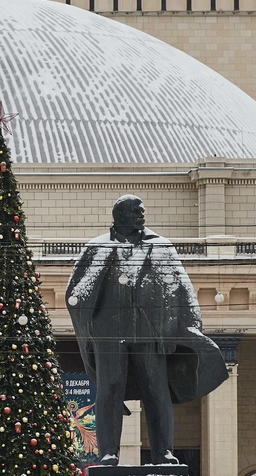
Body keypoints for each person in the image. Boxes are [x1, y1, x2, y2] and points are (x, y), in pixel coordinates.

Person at [66, 195, 228, 466]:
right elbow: (76, 295)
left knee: (156, 390)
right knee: (109, 390)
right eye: (136, 211)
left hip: (150, 332)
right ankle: (108, 453)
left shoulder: (160, 246)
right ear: (119, 215)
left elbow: (181, 291)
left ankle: (163, 452)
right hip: (109, 335)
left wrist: (182, 329)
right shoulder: (97, 248)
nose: (141, 215)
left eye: (142, 211)